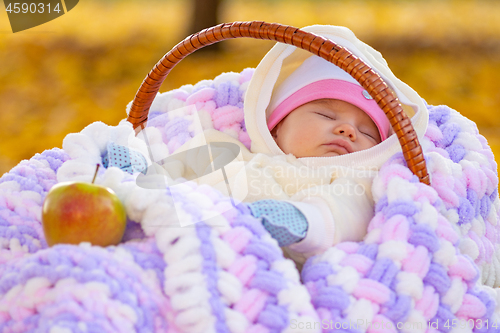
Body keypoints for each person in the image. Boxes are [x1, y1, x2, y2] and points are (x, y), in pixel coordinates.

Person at [151, 24, 429, 267]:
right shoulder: (237, 153)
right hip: (195, 238)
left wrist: (306, 222)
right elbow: (185, 165)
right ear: (277, 125)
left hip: (269, 260)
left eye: (367, 132)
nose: (348, 130)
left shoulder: (351, 182)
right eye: (326, 115)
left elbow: (350, 213)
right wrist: (146, 172)